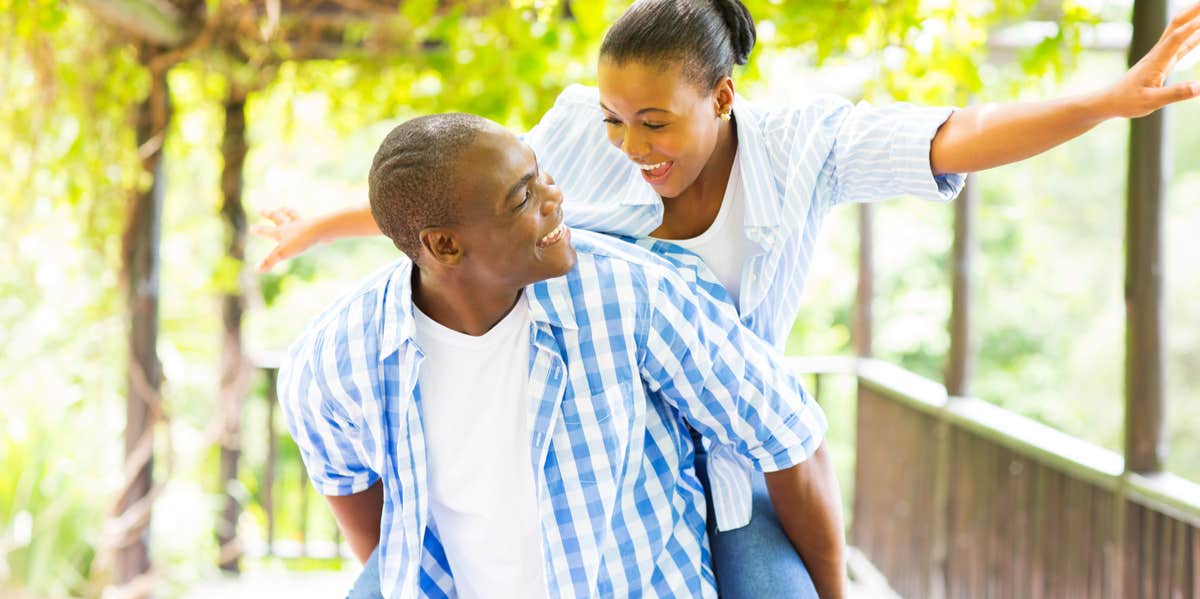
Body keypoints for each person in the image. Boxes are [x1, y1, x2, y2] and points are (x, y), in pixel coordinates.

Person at [257, 1, 1200, 596]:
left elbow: (962, 131)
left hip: (725, 448)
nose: (629, 146)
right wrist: (326, 220)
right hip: (598, 420)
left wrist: (1103, 103)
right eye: (614, 118)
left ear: (724, 96)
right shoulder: (579, 143)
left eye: (656, 122)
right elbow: (458, 199)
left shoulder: (800, 151)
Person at [279, 113, 839, 599]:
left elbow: (788, 436)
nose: (555, 197)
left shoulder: (633, 295)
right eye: (523, 197)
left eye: (541, 174)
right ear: (444, 246)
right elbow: (358, 502)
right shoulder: (334, 364)